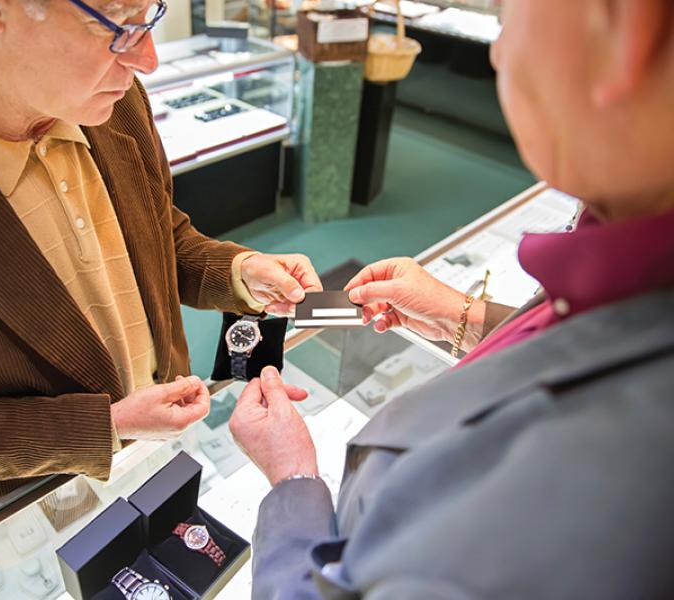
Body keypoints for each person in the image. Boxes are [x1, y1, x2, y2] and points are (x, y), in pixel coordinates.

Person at [229, 0, 674, 597]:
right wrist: (463, 316)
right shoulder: (626, 264)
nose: (496, 48)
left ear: (627, 25)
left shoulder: (577, 478)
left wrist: (293, 483)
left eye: (511, 13)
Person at [0, 0, 321, 511]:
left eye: (149, 16)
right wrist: (108, 426)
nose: (149, 59)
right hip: (39, 494)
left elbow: (157, 235)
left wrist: (238, 271)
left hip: (168, 438)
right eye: (114, 23)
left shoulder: (116, 101)